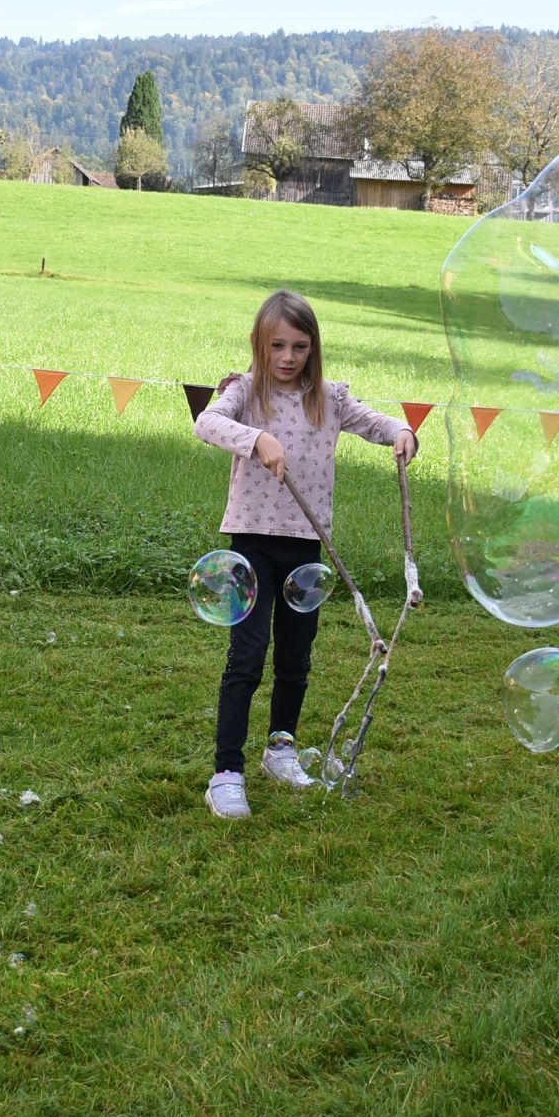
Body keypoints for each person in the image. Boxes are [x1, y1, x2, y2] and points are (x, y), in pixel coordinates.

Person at [192, 290, 418, 819]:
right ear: (260, 345)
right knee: (246, 660)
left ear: (313, 348)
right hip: (251, 543)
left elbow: (374, 423)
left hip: (306, 548)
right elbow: (206, 423)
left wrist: (403, 432)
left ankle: (281, 748)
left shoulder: (329, 400)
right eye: (277, 346)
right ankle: (227, 772)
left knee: (295, 660)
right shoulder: (245, 392)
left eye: (299, 346)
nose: (288, 357)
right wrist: (256, 440)